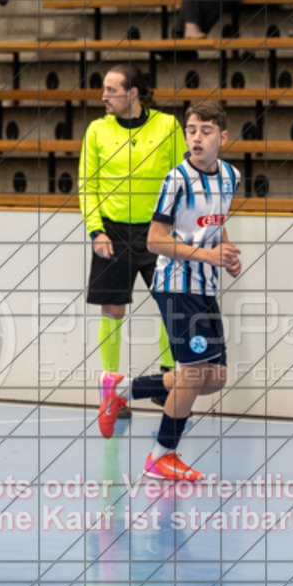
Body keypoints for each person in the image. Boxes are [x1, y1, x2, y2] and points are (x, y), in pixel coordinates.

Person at [97, 101, 242, 482]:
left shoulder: (231, 176)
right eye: (191, 130)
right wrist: (207, 254)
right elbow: (155, 240)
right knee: (193, 374)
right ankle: (161, 455)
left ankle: (122, 388)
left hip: (206, 284)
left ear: (222, 138)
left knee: (215, 379)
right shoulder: (176, 180)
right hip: (176, 284)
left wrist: (225, 255)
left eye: (205, 131)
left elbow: (216, 223)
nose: (196, 137)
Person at [79, 65, 184, 410]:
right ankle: (110, 393)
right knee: (112, 309)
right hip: (112, 231)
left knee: (171, 305)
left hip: (157, 230)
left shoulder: (168, 126)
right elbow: (88, 186)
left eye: (111, 90)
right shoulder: (96, 130)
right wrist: (96, 230)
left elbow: (181, 178)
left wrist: (176, 229)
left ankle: (165, 383)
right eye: (104, 89)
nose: (104, 96)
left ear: (133, 93)